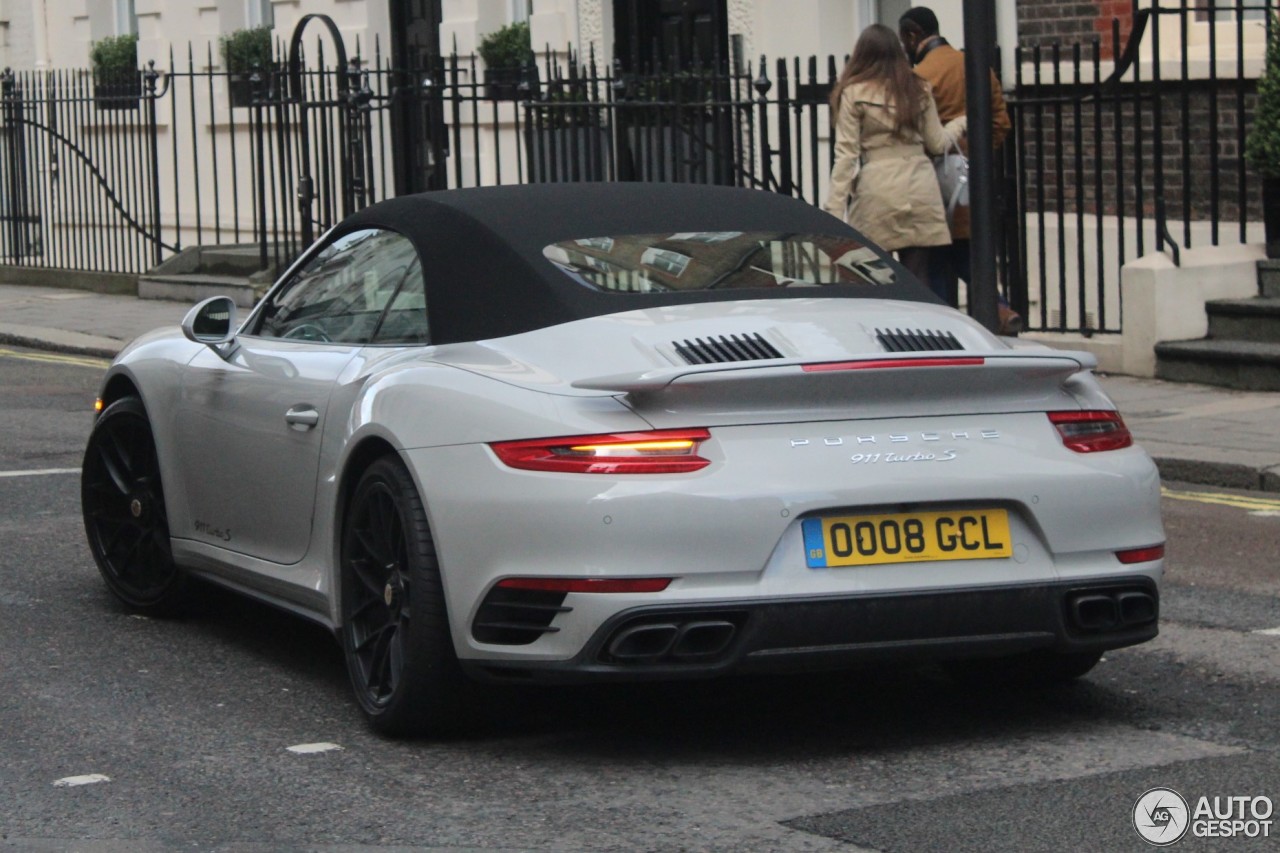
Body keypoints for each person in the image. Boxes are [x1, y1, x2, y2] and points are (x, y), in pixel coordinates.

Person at [898, 6, 1023, 334]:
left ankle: (945, 329)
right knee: (973, 255)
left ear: (913, 36)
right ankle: (999, 309)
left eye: (904, 41)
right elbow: (1001, 122)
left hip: (933, 183)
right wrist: (973, 156)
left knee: (936, 259)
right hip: (973, 181)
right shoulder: (978, 67)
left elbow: (916, 135)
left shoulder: (920, 76)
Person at [823, 23, 967, 284]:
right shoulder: (918, 89)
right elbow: (937, 144)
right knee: (917, 281)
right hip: (919, 187)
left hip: (878, 191)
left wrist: (833, 212)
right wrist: (959, 123)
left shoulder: (854, 93)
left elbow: (846, 155)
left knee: (875, 282)